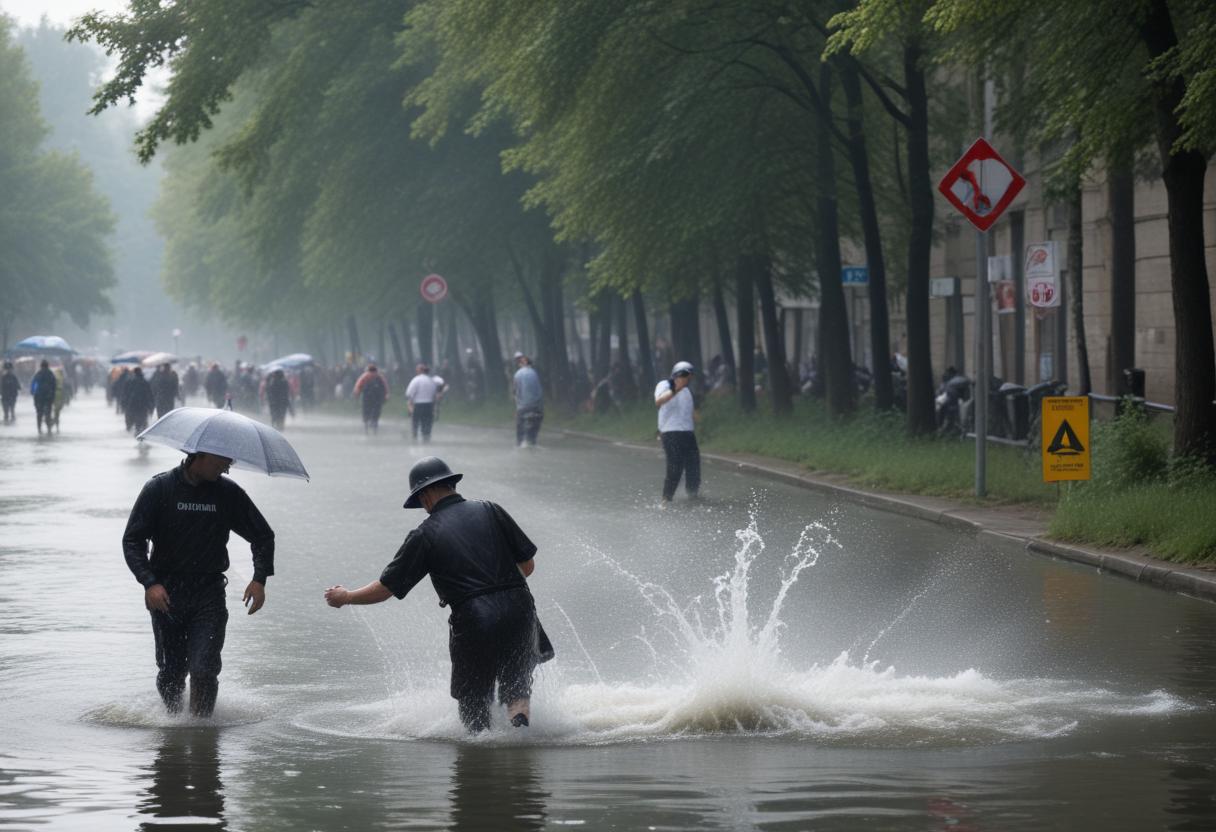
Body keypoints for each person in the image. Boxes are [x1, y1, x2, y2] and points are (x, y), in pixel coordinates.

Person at [323, 456, 552, 732]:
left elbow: (386, 589)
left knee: (473, 701)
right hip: (521, 609)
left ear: (427, 493)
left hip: (474, 619)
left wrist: (346, 596)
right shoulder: (491, 510)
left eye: (420, 500)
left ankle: (479, 754)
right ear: (451, 485)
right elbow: (528, 566)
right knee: (517, 687)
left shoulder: (425, 534)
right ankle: (520, 726)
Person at [122, 452, 275, 717]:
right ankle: (174, 729)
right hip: (166, 593)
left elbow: (262, 536)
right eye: (221, 462)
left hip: (209, 593)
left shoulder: (228, 493)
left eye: (229, 463)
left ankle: (201, 734)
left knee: (204, 669)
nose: (226, 469)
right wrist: (149, 583)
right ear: (201, 456)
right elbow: (133, 541)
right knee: (172, 672)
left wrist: (259, 578)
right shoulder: (159, 488)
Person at [654, 360, 701, 505]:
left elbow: (692, 412)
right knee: (675, 466)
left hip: (687, 432)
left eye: (689, 376)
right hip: (670, 432)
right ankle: (666, 499)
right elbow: (659, 401)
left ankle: (692, 495)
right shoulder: (665, 385)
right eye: (684, 375)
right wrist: (676, 389)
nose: (686, 378)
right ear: (676, 375)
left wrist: (698, 418)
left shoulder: (687, 391)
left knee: (694, 465)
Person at [512, 353, 544, 447]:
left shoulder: (517, 374)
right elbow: (539, 391)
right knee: (535, 429)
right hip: (537, 407)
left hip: (523, 407)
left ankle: (519, 442)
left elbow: (516, 392)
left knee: (519, 427)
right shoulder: (535, 373)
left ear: (520, 364)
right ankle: (532, 440)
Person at [404, 363, 438, 442]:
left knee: (415, 423)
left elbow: (409, 393)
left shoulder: (416, 380)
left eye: (417, 369)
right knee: (427, 424)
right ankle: (426, 439)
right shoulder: (431, 381)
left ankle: (414, 438)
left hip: (418, 405)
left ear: (420, 371)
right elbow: (434, 394)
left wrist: (409, 405)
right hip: (429, 406)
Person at [354, 363, 390, 434]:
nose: (372, 374)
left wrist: (357, 394)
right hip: (375, 398)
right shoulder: (379, 376)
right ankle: (372, 424)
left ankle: (368, 424)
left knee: (367, 411)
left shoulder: (365, 376)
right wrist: (386, 395)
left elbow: (358, 386)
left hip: (369, 398)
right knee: (375, 411)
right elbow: (386, 387)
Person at [123, 366, 155, 434]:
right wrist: (151, 405)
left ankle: (137, 431)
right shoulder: (145, 382)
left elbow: (126, 394)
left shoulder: (130, 381)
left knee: (134, 419)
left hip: (133, 405)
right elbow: (149, 394)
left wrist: (125, 404)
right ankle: (141, 433)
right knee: (142, 420)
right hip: (143, 405)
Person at [30, 359, 57, 435]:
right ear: (48, 366)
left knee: (39, 413)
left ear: (41, 366)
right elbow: (54, 386)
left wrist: (33, 392)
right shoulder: (51, 374)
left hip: (39, 397)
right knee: (48, 413)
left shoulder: (38, 374)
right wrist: (53, 395)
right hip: (48, 397)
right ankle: (49, 429)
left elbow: (33, 384)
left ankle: (39, 429)